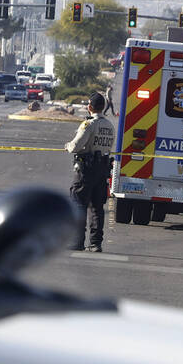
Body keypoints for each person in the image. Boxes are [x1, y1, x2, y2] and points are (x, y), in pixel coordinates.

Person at [66, 92, 116, 252]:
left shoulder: (89, 124)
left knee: (78, 203)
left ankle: (77, 241)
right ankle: (96, 243)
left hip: (86, 170)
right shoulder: (109, 125)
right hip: (102, 169)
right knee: (96, 207)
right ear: (103, 107)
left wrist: (68, 145)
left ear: (90, 107)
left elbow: (76, 146)